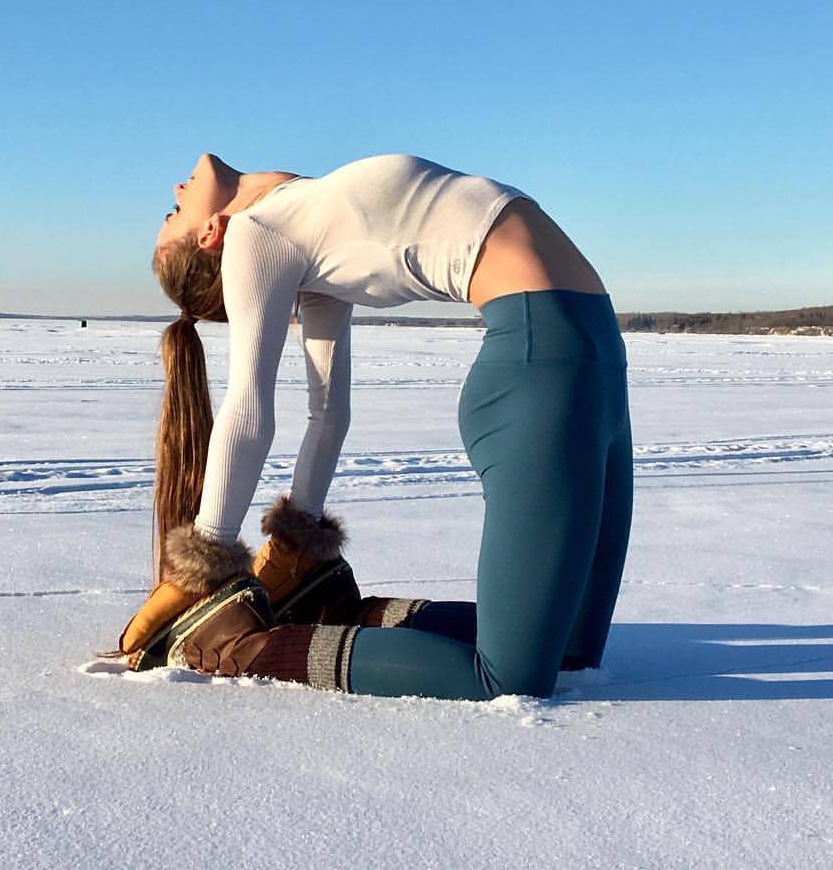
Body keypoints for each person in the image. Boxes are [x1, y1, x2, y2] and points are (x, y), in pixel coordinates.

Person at [114, 152, 632, 700]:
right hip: (539, 367)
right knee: (510, 678)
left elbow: (330, 414)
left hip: (597, 364)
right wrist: (205, 557)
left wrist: (299, 541)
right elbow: (249, 408)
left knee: (574, 647)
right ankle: (240, 649)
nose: (178, 185)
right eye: (173, 211)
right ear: (210, 234)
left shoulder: (304, 221)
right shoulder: (255, 232)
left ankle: (338, 612)